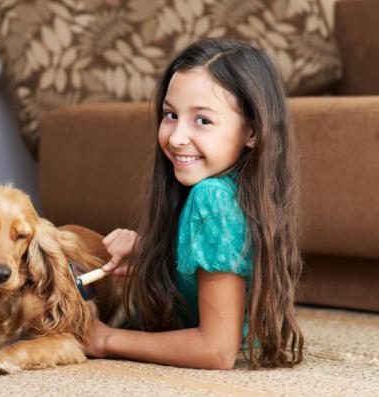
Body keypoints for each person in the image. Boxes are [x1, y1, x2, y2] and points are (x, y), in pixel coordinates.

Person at [85, 38, 304, 370]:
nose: (175, 137)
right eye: (170, 114)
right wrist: (153, 251)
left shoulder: (212, 198)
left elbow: (216, 350)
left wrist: (106, 339)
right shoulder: (239, 190)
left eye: (202, 120)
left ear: (253, 131)